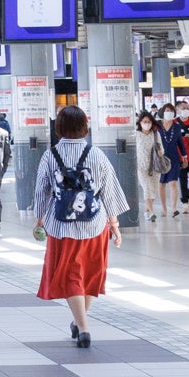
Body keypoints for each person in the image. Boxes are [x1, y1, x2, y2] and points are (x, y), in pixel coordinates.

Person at [33, 105, 129, 348]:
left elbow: (41, 191)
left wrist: (40, 218)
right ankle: (81, 324)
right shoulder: (95, 154)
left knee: (71, 276)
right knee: (89, 274)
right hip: (94, 225)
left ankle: (82, 327)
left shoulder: (50, 155)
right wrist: (114, 225)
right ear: (85, 126)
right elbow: (110, 190)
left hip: (60, 226)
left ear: (59, 128)